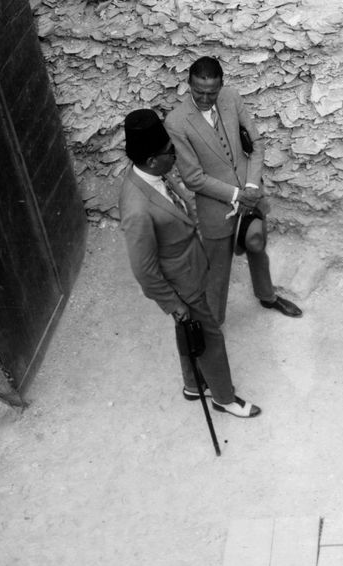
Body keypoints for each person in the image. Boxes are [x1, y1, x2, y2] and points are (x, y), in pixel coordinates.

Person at [119, 109, 261, 418]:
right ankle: (224, 397)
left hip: (191, 267)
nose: (176, 155)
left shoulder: (153, 173)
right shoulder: (137, 208)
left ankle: (194, 384)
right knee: (210, 337)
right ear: (153, 159)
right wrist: (174, 304)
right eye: (170, 151)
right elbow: (144, 270)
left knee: (189, 331)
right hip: (183, 284)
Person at [165, 56, 301, 325]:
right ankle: (214, 325)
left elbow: (257, 145)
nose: (205, 98)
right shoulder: (176, 122)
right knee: (217, 270)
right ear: (189, 84)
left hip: (251, 193)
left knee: (257, 244)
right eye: (198, 92)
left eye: (212, 92)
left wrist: (251, 186)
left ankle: (267, 295)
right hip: (217, 208)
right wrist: (239, 196)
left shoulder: (232, 98)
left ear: (222, 85)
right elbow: (193, 179)